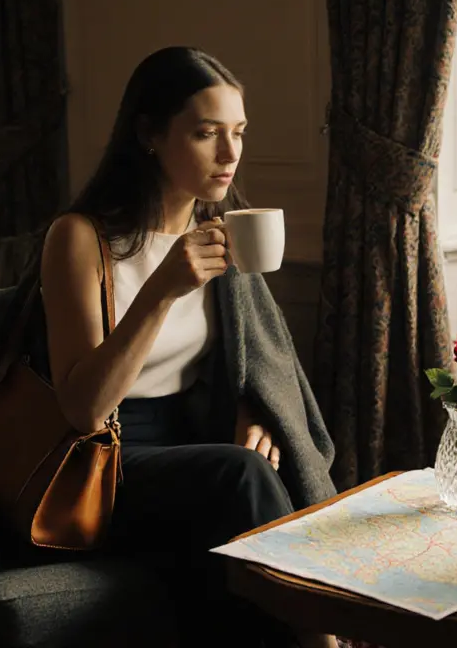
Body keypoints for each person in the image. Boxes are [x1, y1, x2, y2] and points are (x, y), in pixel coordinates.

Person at [38, 46, 338, 647]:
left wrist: (256, 409)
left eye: (239, 133)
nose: (230, 154)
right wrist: (161, 291)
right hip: (104, 461)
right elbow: (81, 410)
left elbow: (256, 359)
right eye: (206, 133)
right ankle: (325, 641)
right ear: (149, 134)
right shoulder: (81, 238)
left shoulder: (223, 228)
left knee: (251, 469)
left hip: (196, 434)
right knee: (237, 477)